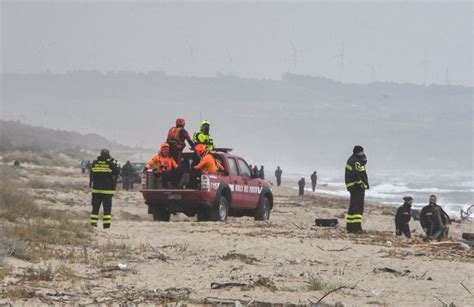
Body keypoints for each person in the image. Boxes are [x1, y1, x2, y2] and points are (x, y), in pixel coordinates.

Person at [89, 149, 120, 228]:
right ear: (108, 155)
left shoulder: (94, 163)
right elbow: (117, 170)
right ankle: (106, 225)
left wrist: (90, 184)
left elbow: (91, 174)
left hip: (96, 190)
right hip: (107, 191)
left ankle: (93, 224)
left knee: (95, 209)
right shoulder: (109, 163)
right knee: (107, 209)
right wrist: (112, 160)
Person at [345, 145, 369, 234]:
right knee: (358, 208)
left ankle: (350, 227)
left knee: (352, 207)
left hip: (352, 186)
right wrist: (361, 184)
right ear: (359, 152)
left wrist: (363, 160)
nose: (363, 153)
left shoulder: (352, 159)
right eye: (362, 152)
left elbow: (362, 167)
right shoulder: (355, 161)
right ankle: (357, 228)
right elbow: (356, 174)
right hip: (357, 187)